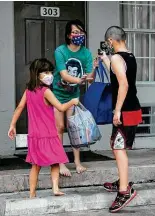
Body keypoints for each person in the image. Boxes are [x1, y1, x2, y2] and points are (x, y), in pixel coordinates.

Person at [8, 58, 79, 198]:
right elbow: (61, 107)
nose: (50, 75)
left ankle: (32, 193)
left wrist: (12, 125)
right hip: (49, 134)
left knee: (35, 166)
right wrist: (72, 101)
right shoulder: (46, 92)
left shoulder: (28, 91)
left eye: (50, 72)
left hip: (34, 135)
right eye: (46, 72)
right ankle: (55, 188)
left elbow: (19, 107)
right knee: (55, 162)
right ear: (37, 74)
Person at [100, 26, 142, 213]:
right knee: (119, 146)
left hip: (124, 110)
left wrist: (116, 111)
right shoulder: (129, 57)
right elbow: (119, 74)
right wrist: (105, 60)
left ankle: (124, 191)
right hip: (133, 108)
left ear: (110, 41)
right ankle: (122, 180)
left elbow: (123, 84)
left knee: (118, 148)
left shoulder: (117, 58)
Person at [53, 19, 94, 177]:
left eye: (81, 32)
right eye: (75, 32)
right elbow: (63, 74)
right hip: (58, 94)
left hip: (73, 95)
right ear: (69, 35)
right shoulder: (60, 51)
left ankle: (77, 162)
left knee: (74, 127)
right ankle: (61, 162)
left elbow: (90, 77)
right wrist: (80, 81)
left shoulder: (86, 53)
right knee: (59, 127)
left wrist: (94, 69)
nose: (79, 35)